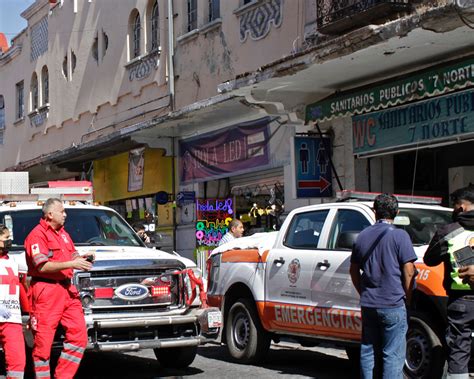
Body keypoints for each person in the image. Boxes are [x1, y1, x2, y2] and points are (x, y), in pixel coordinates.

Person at [24, 198, 95, 379]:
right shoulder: (37, 235)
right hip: (46, 292)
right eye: (62, 211)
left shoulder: (63, 233)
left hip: (67, 291)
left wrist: (82, 258)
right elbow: (42, 267)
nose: (65, 214)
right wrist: (71, 263)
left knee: (79, 337)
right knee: (43, 346)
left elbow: (73, 254)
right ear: (50, 215)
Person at [350, 193, 417, 379]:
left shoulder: (361, 236)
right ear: (397, 212)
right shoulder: (400, 235)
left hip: (369, 304)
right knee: (392, 355)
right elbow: (409, 271)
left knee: (368, 351)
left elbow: (353, 271)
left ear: (374, 212)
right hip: (393, 304)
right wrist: (407, 298)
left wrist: (363, 292)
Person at [424, 185, 474, 379]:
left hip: (460, 301)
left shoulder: (448, 231)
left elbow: (430, 259)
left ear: (461, 207)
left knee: (459, 350)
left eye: (454, 206)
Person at [0, 224, 28, 379]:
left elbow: (21, 289)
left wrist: (29, 313)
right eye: (5, 238)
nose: (9, 241)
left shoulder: (15, 261)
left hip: (11, 318)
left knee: (17, 361)